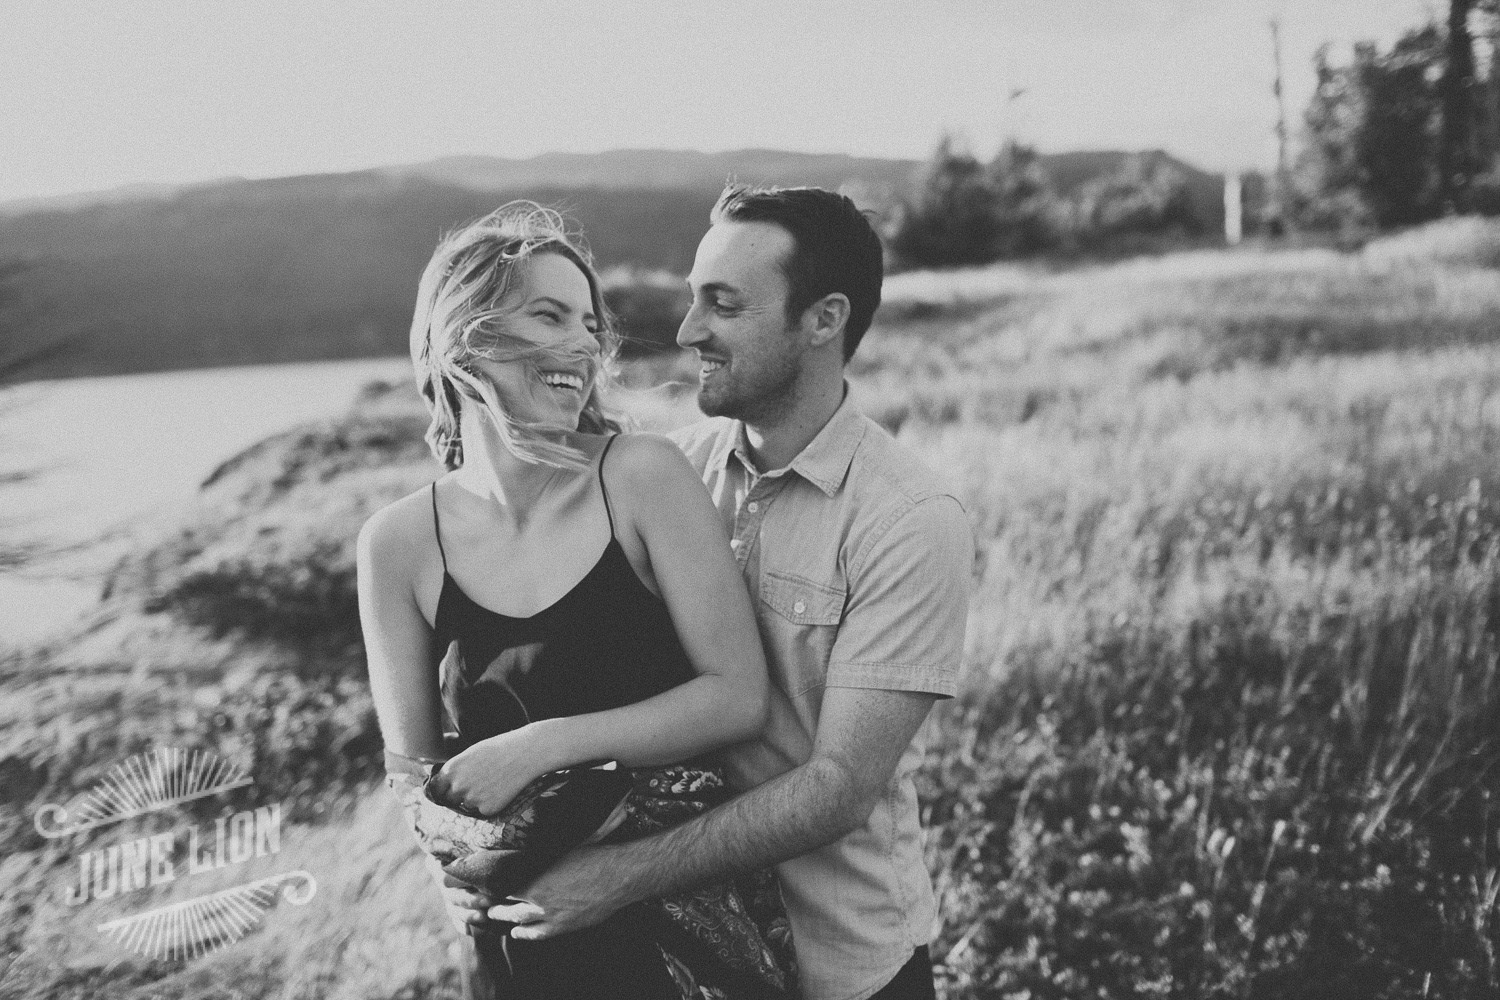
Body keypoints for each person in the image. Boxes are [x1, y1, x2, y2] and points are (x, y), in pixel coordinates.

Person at [476, 186, 975, 1000]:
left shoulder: (911, 520)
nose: (687, 330)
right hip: (682, 956)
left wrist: (616, 877)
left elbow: (840, 789)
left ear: (824, 320)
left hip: (843, 964)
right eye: (691, 297)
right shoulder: (669, 476)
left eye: (724, 304)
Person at [357, 202, 795, 999]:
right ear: (468, 335)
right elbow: (412, 770)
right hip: (518, 945)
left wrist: (541, 745)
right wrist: (444, 874)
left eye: (589, 324)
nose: (583, 346)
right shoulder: (397, 544)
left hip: (676, 925)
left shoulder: (641, 478)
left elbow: (737, 697)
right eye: (549, 315)